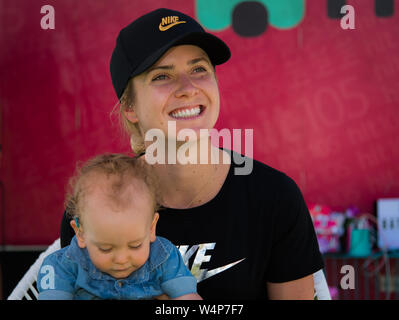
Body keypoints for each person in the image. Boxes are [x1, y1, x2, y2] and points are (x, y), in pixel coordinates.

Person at [60, 8, 324, 299]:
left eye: (199, 69)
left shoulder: (275, 197)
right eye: (162, 76)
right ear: (130, 107)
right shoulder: (94, 206)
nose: (188, 88)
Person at [39, 153, 201, 300]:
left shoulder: (164, 257)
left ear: (151, 227)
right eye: (105, 248)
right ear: (81, 233)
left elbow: (187, 297)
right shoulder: (62, 267)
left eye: (135, 245)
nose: (122, 260)